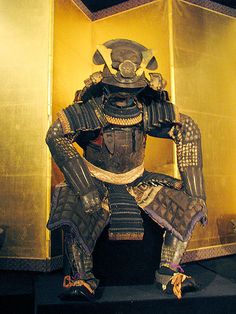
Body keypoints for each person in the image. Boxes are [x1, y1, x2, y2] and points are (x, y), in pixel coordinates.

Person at [46, 39, 207, 301]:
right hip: (96, 179)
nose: (124, 94)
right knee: (71, 205)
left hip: (137, 180)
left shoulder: (146, 110)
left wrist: (196, 188)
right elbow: (55, 135)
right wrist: (84, 184)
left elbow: (187, 128)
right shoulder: (90, 110)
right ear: (103, 81)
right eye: (117, 86)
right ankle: (82, 276)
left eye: (131, 88)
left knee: (188, 204)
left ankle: (168, 269)